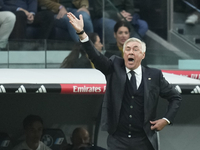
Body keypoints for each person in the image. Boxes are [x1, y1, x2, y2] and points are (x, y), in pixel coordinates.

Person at [67, 12, 182, 150]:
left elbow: (175, 97)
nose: (131, 52)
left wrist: (166, 120)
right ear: (124, 54)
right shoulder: (114, 67)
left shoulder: (155, 75)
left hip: (144, 141)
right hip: (118, 140)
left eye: (135, 49)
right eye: (128, 49)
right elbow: (95, 56)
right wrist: (81, 33)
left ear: (143, 55)